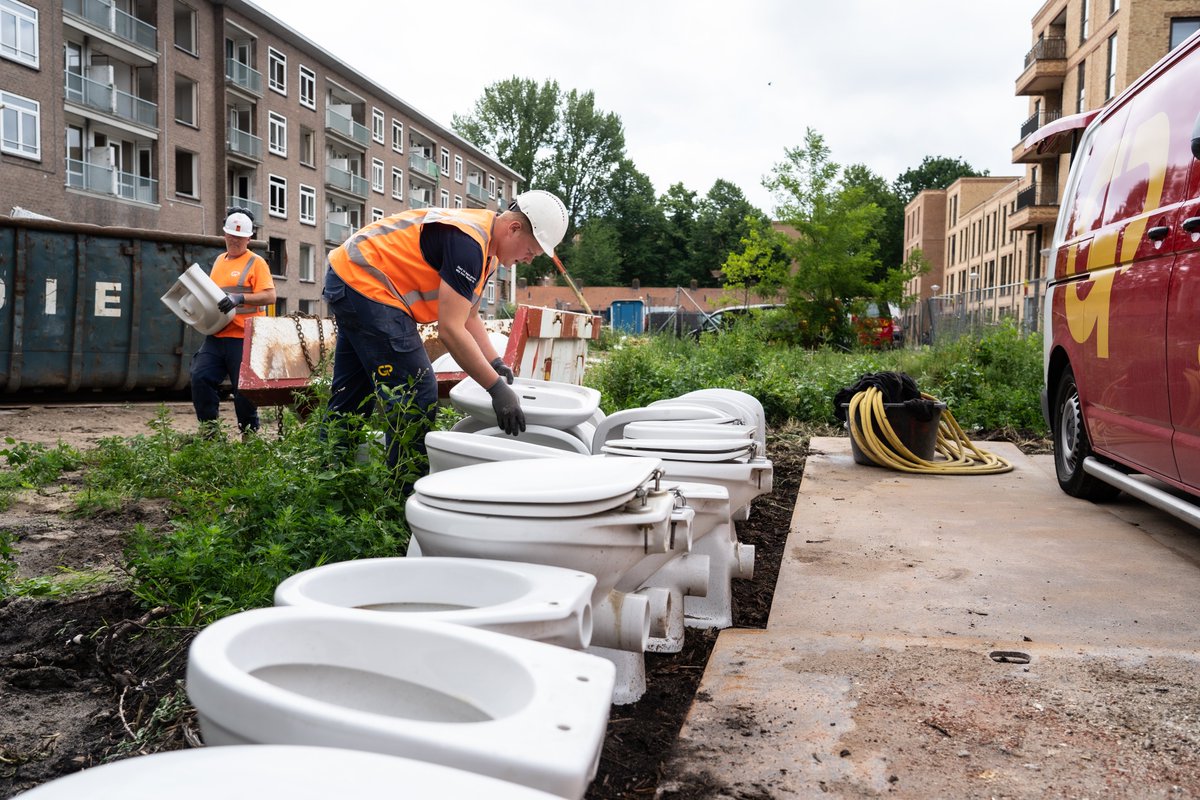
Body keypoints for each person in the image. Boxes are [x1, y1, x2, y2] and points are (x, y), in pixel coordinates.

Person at [321, 190, 568, 470]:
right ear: (514, 228)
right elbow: (450, 329)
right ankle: (405, 491)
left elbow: (469, 315)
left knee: (352, 392)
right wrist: (496, 389)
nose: (528, 260)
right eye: (531, 251)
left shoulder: (487, 249)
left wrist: (494, 362)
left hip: (349, 277)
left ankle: (330, 477)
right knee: (416, 390)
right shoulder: (468, 244)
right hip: (366, 283)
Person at [190, 210, 277, 436]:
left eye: (240, 237)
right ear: (225, 235)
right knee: (200, 377)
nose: (234, 240)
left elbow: (270, 296)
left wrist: (240, 299)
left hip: (244, 338)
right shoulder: (219, 261)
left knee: (244, 391)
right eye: (231, 235)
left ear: (249, 238)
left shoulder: (256, 263)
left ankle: (250, 435)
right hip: (217, 334)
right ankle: (210, 433)